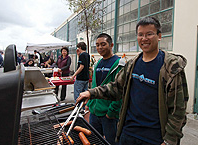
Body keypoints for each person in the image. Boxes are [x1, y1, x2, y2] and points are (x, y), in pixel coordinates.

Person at [76, 17, 189, 145]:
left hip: (155, 138)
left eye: (149, 34)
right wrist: (91, 93)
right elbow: (116, 88)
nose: (144, 38)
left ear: (159, 36)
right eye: (140, 34)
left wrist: (169, 140)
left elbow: (178, 109)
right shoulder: (132, 65)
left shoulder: (171, 68)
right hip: (128, 133)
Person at [86, 33, 125, 145]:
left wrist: (112, 111)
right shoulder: (97, 64)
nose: (100, 48)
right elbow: (95, 86)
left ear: (111, 45)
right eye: (97, 45)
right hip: (94, 113)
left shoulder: (118, 64)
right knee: (95, 140)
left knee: (112, 142)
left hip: (109, 115)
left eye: (103, 44)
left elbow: (120, 89)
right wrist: (90, 105)